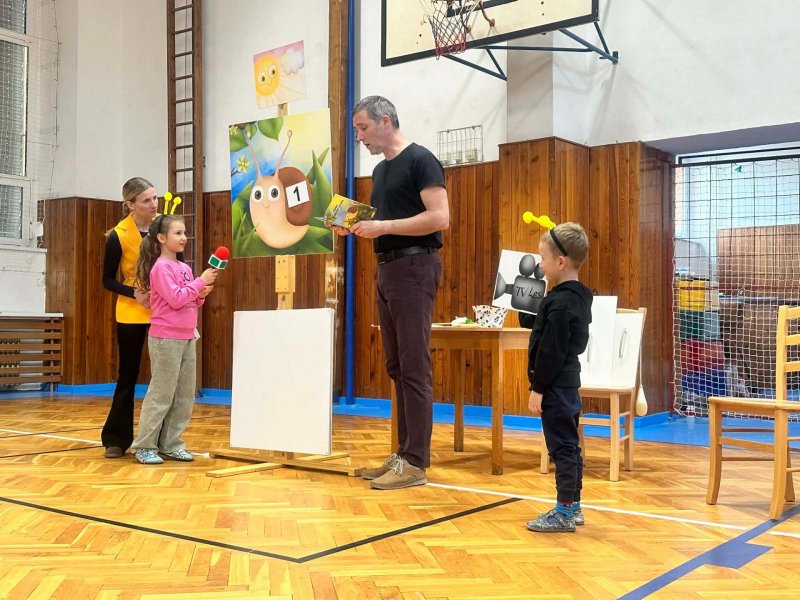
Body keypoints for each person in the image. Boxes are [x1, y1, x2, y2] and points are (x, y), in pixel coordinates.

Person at [331, 95, 449, 490]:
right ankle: (404, 454)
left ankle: (416, 462)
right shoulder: (381, 171)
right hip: (389, 269)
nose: (360, 136)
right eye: (357, 130)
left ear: (385, 121)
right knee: (397, 366)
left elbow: (440, 217)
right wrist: (355, 225)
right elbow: (385, 220)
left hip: (415, 266)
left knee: (414, 365)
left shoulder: (421, 159)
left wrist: (382, 227)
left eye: (363, 128)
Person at [129, 214, 217, 464]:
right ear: (161, 238)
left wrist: (201, 294)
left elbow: (189, 300)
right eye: (178, 233)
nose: (183, 237)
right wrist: (200, 282)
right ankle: (145, 445)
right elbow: (176, 299)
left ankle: (170, 443)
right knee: (161, 394)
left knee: (184, 396)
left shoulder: (184, 268)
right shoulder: (160, 268)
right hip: (166, 339)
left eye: (184, 232)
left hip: (187, 336)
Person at [525, 222, 592, 533]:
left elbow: (551, 350)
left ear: (561, 262)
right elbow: (541, 327)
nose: (540, 264)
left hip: (555, 386)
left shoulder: (561, 303)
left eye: (543, 258)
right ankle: (573, 506)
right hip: (567, 385)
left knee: (562, 448)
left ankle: (564, 511)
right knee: (569, 445)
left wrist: (538, 388)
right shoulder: (572, 297)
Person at [101, 177, 159, 458]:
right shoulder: (117, 235)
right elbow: (107, 280)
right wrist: (134, 292)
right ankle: (115, 439)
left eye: (155, 198)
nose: (154, 204)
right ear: (130, 205)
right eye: (146, 200)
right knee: (128, 374)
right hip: (131, 311)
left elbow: (178, 265)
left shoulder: (164, 228)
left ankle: (159, 439)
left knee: (163, 377)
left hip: (162, 309)